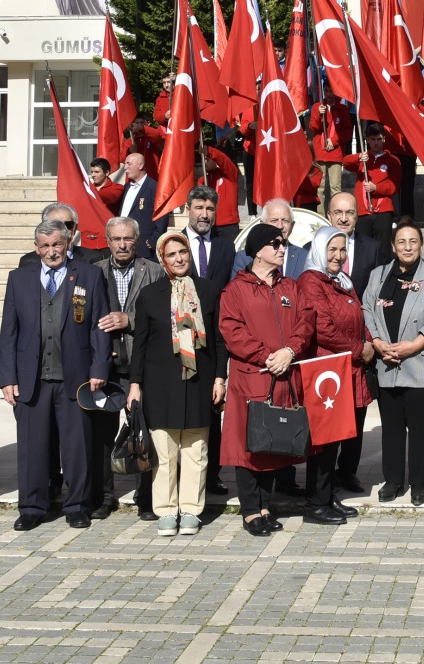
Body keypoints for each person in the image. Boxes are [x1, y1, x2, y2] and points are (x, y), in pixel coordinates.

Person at [0, 219, 113, 531]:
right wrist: (7, 378)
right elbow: (9, 333)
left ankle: (77, 505)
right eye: (45, 246)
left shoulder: (89, 275)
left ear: (67, 243)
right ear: (37, 248)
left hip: (75, 378)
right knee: (32, 448)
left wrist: (99, 369)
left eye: (57, 244)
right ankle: (33, 507)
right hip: (31, 379)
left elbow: (99, 326)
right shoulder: (19, 278)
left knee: (77, 448)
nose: (51, 251)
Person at [218, 223, 316, 535]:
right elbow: (233, 332)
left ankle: (264, 505)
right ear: (257, 250)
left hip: (283, 376)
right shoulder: (236, 289)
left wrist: (290, 350)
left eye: (283, 242)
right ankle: (250, 510)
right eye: (275, 243)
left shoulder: (290, 287)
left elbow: (306, 321)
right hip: (252, 378)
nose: (281, 248)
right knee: (249, 445)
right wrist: (266, 356)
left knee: (273, 441)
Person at [127, 232, 225, 538]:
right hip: (160, 383)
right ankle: (167, 511)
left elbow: (219, 342)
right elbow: (139, 345)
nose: (179, 259)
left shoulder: (209, 291)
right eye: (171, 255)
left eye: (182, 252)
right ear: (162, 259)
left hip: (199, 382)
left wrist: (221, 377)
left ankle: (191, 510)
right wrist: (134, 384)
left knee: (196, 450)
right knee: (165, 453)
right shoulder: (150, 294)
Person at [365, 220, 424, 505]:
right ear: (393, 246)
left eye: (413, 241)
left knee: (419, 428)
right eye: (401, 242)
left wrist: (413, 345)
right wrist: (378, 343)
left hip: (420, 363)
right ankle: (392, 481)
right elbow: (367, 309)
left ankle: (418, 483)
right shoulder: (378, 275)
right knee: (390, 427)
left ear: (421, 245)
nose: (407, 246)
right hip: (387, 363)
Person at [93, 216, 166, 519]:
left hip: (142, 365)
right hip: (105, 366)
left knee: (143, 432)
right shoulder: (93, 272)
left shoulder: (155, 271)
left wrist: (129, 320)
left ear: (137, 240)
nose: (122, 245)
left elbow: (164, 314)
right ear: (107, 241)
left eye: (128, 239)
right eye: (115, 239)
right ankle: (104, 497)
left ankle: (145, 498)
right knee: (101, 434)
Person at [297, 226, 372, 515]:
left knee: (336, 437)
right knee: (323, 440)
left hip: (346, 369)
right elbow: (322, 329)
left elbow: (358, 315)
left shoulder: (343, 280)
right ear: (318, 249)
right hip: (326, 370)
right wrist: (358, 348)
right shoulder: (311, 281)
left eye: (342, 250)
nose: (338, 256)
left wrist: (367, 341)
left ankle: (327, 496)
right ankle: (316, 502)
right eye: (332, 249)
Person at [180, 185, 237, 497]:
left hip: (214, 336)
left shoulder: (226, 246)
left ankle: (211, 473)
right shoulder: (173, 243)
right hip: (179, 335)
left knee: (213, 408)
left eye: (210, 209)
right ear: (188, 209)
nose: (204, 214)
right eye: (199, 207)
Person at [327, 191, 390, 300]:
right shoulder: (313, 248)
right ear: (329, 216)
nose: (343, 219)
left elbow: (380, 290)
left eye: (350, 213)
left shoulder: (373, 249)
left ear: (357, 215)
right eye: (338, 212)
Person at [352, 124, 401, 255]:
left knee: (383, 248)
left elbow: (394, 186)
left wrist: (376, 188)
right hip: (363, 210)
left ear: (384, 139)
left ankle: (383, 274)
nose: (376, 143)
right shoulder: (363, 159)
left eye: (379, 139)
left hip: (383, 210)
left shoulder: (393, 160)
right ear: (367, 140)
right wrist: (358, 157)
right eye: (373, 139)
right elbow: (346, 163)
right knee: (362, 248)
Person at [16, 202, 109, 268]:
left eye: (67, 225)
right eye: (56, 225)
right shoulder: (28, 261)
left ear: (75, 228)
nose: (62, 230)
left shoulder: (94, 259)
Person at [232, 199, 308, 278]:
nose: (280, 226)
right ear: (263, 224)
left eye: (285, 220)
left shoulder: (305, 257)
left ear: (292, 226)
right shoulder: (244, 258)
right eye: (274, 220)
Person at [308, 82, 355, 201]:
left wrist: (334, 141)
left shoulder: (342, 109)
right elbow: (313, 128)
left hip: (335, 154)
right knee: (319, 188)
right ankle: (320, 218)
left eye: (331, 91)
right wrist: (319, 115)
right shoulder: (317, 107)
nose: (328, 94)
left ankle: (336, 217)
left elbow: (347, 132)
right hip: (320, 153)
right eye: (326, 90)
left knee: (335, 188)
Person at [114, 151, 159, 260]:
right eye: (125, 164)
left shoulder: (154, 187)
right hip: (124, 245)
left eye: (129, 164)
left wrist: (154, 239)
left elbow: (160, 216)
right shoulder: (127, 187)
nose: (125, 168)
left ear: (141, 165)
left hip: (144, 247)